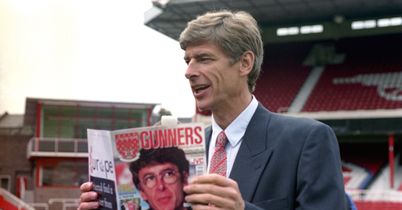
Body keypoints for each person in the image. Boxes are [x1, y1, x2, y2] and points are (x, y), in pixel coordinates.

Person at [78, 9, 347, 210]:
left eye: (204, 59)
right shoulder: (180, 150)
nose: (189, 72)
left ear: (244, 64)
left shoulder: (307, 140)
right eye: (188, 60)